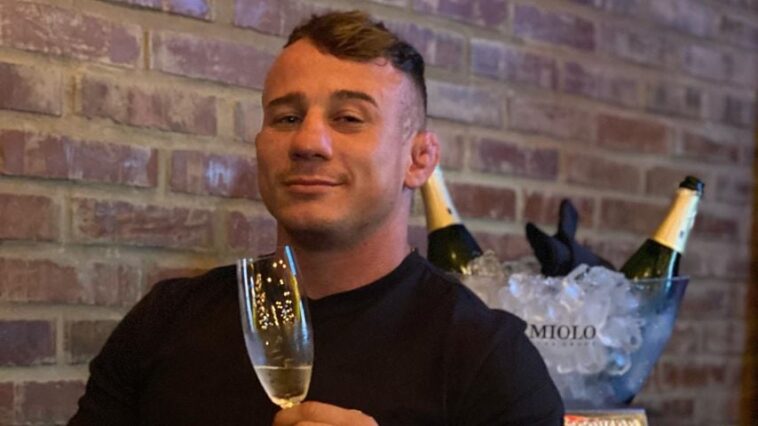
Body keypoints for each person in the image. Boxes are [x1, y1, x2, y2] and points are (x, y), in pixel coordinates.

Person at [68, 11, 564, 426]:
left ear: (419, 160)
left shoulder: (487, 358)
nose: (308, 142)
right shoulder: (165, 321)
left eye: (348, 118)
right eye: (286, 118)